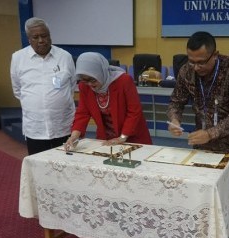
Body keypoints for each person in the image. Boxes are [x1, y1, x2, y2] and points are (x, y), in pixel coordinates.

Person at [166, 31, 229, 238]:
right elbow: (176, 101)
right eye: (191, 61)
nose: (196, 67)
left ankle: (226, 232)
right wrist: (174, 119)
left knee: (228, 193)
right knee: (202, 188)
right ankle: (203, 226)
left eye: (201, 62)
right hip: (200, 143)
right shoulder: (186, 71)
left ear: (215, 55)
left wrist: (211, 133)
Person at [10, 17, 76, 155]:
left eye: (44, 36)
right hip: (35, 128)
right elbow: (17, 90)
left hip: (63, 125)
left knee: (67, 165)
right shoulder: (18, 58)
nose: (41, 40)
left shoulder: (65, 57)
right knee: (39, 168)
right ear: (29, 39)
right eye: (35, 37)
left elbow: (71, 86)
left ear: (50, 36)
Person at [64, 52, 151, 149]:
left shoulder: (124, 81)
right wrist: (74, 136)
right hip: (105, 139)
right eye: (84, 80)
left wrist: (122, 137)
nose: (89, 84)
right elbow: (83, 113)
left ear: (100, 72)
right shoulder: (84, 86)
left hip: (132, 136)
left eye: (92, 79)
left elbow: (134, 111)